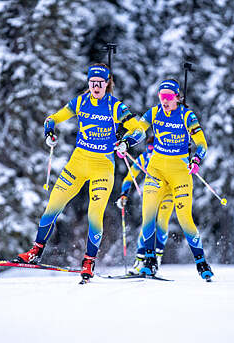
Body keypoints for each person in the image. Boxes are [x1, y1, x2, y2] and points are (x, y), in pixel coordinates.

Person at [14, 63, 145, 282]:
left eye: (100, 84)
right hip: (78, 162)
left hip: (102, 167)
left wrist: (126, 141)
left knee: (95, 214)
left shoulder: (115, 107)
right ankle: (35, 252)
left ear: (106, 84)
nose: (95, 87)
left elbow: (139, 131)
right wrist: (49, 133)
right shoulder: (80, 102)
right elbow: (52, 119)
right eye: (92, 83)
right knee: (53, 206)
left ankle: (89, 261)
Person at [136, 79, 214, 280]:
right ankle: (150, 261)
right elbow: (138, 130)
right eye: (162, 98)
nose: (164, 102)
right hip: (156, 170)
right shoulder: (154, 112)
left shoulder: (187, 115)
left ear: (178, 97)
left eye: (169, 98)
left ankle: (201, 263)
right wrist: (124, 140)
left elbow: (202, 143)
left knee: (184, 217)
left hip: (180, 172)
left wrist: (197, 158)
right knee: (148, 213)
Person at [115, 136, 175, 274]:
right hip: (152, 192)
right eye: (149, 150)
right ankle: (139, 262)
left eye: (153, 150)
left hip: (168, 193)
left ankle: (156, 260)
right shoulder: (144, 158)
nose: (150, 153)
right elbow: (129, 177)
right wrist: (124, 194)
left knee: (162, 223)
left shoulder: (167, 155)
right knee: (147, 225)